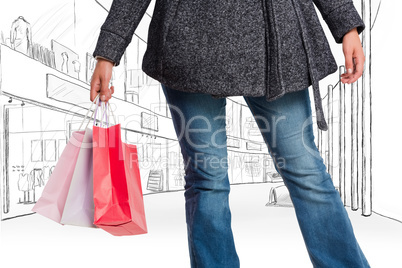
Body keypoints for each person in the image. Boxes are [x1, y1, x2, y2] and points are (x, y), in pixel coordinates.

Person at [90, 0, 370, 267]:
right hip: (190, 45)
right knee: (208, 180)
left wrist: (346, 25)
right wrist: (108, 52)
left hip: (275, 46)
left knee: (306, 173)